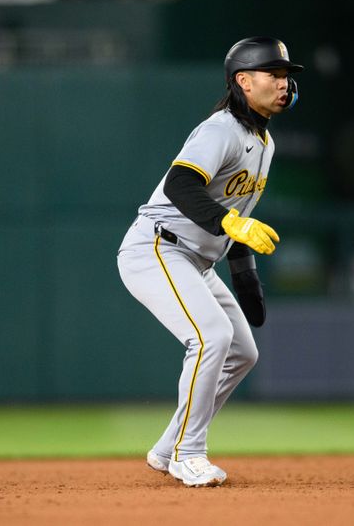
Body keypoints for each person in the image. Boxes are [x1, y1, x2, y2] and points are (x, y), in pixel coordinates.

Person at [117, 37, 303, 487]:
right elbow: (181, 186)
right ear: (243, 80)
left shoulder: (265, 142)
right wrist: (230, 224)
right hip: (157, 248)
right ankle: (188, 452)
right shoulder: (220, 129)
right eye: (273, 74)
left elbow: (238, 222)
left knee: (242, 352)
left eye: (286, 75)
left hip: (196, 260)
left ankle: (168, 448)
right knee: (211, 337)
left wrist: (247, 281)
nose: (284, 82)